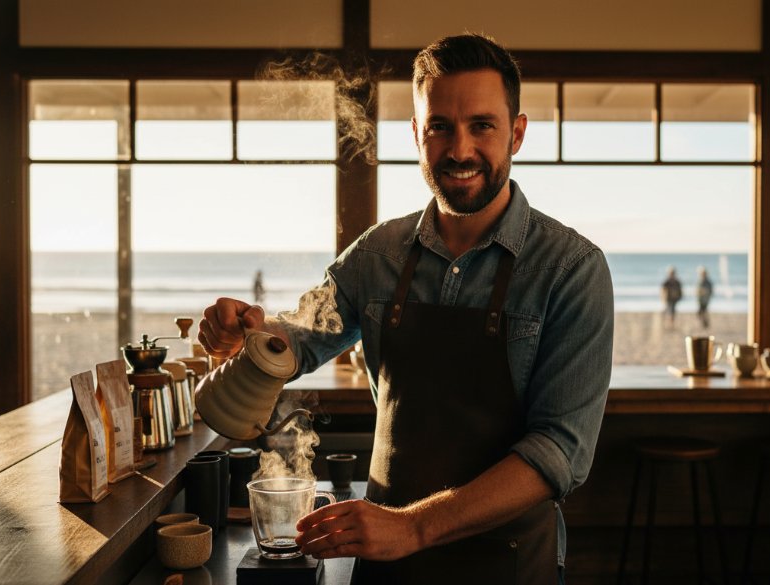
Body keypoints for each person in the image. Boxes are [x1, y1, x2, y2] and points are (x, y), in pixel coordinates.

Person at [199, 33, 613, 585]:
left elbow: (558, 452)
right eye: (440, 126)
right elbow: (299, 336)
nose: (460, 149)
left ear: (516, 133)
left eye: (482, 126)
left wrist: (413, 527)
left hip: (507, 560)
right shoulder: (377, 255)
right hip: (387, 557)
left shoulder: (572, 270)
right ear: (417, 134)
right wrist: (248, 335)